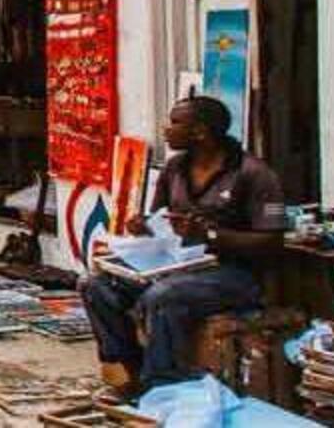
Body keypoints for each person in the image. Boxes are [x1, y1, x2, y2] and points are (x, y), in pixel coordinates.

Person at [80, 97, 285, 400]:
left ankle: (163, 382)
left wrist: (211, 236)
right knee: (95, 284)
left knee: (162, 296)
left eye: (175, 123)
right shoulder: (175, 168)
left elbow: (272, 241)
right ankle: (128, 368)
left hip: (234, 273)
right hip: (176, 264)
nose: (166, 129)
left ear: (200, 131)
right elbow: (159, 220)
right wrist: (144, 225)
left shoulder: (253, 174)